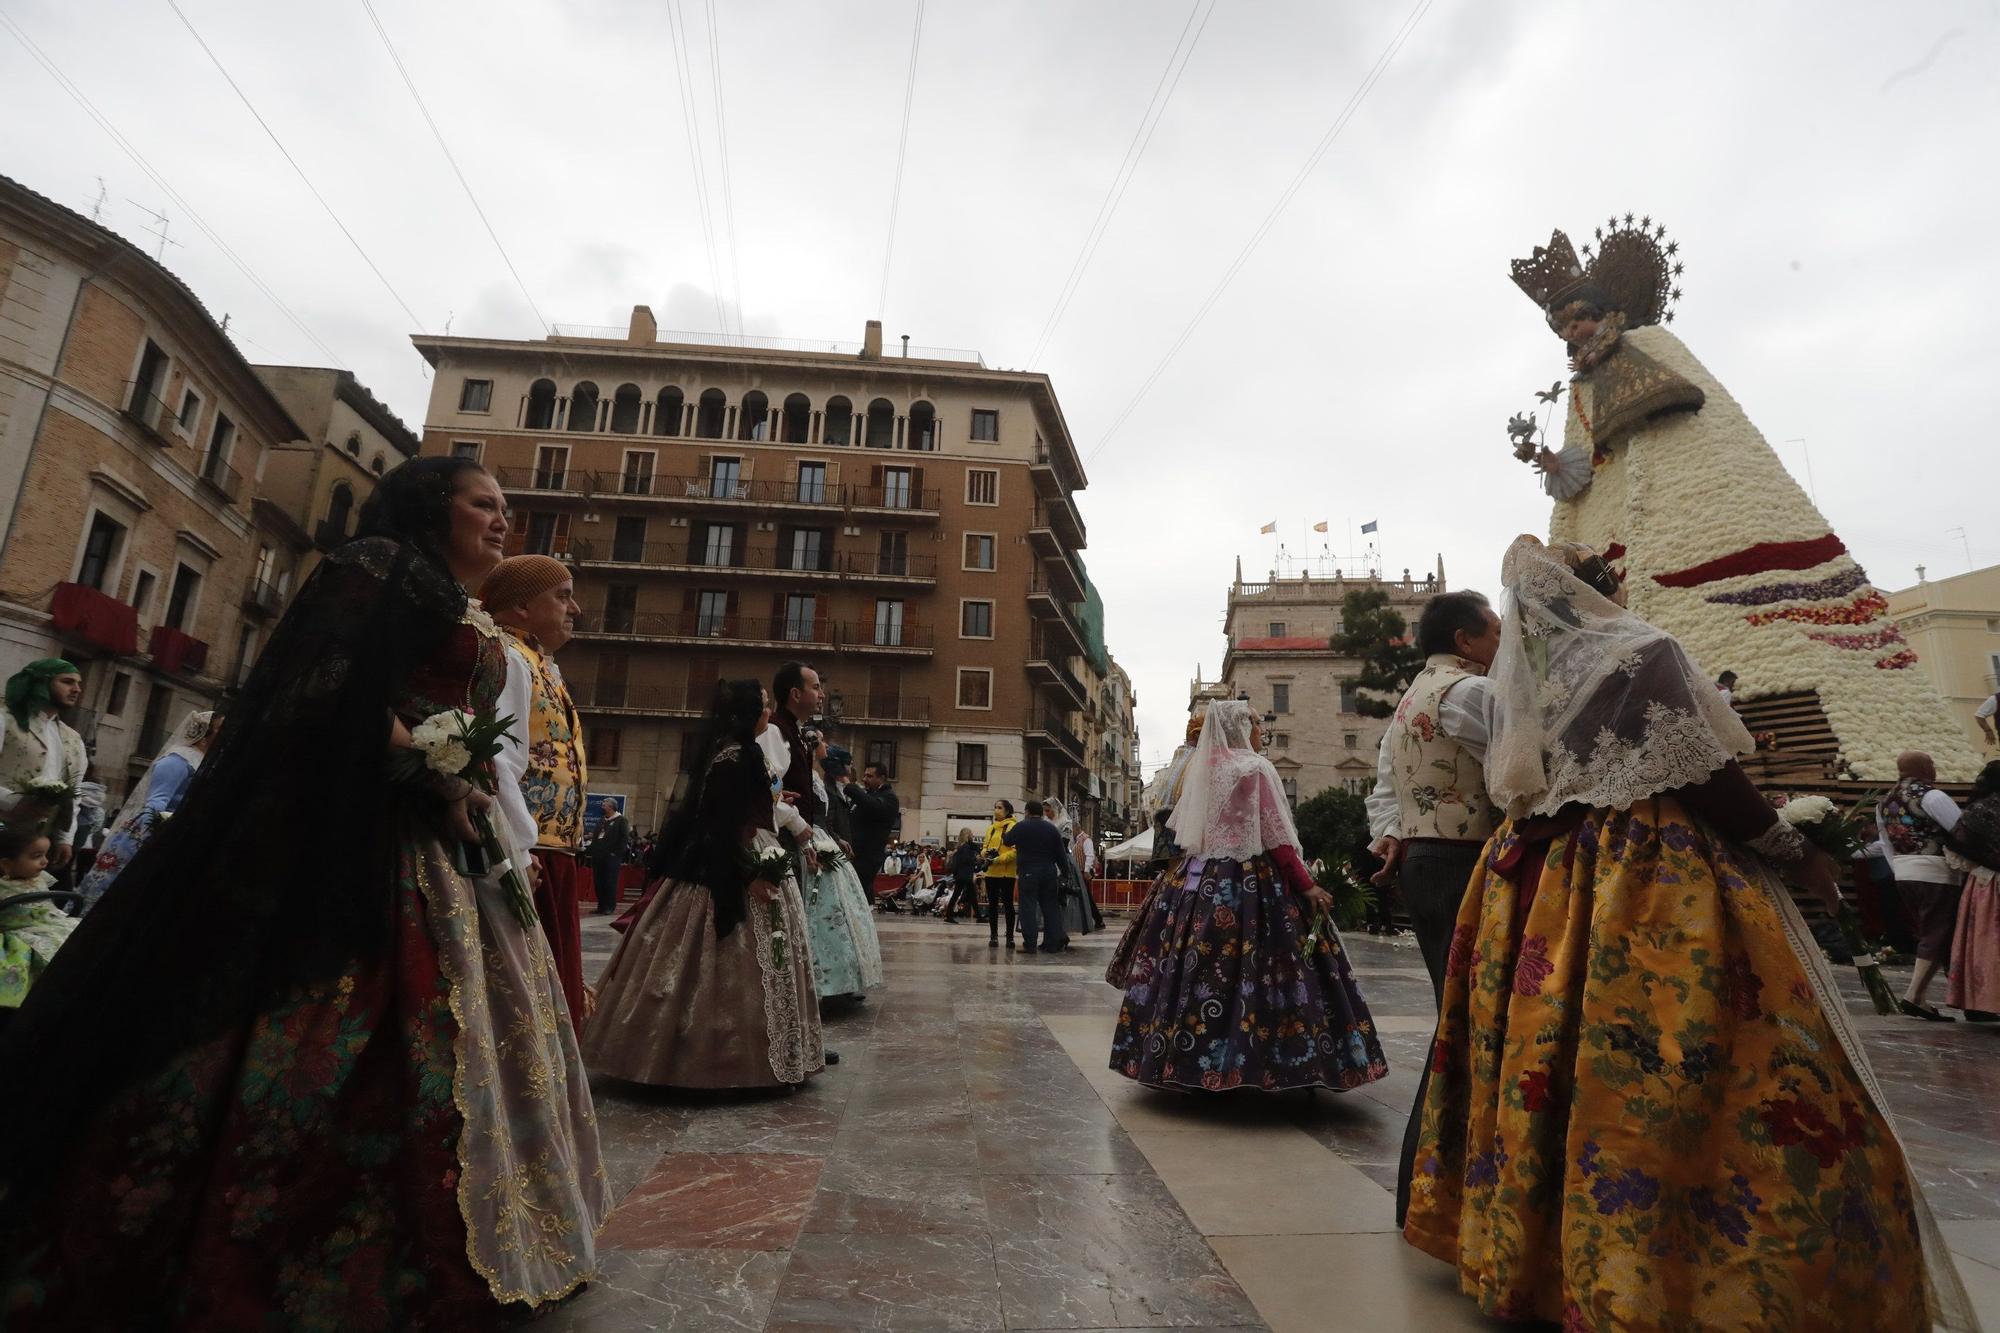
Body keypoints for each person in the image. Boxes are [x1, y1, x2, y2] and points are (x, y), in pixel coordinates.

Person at [0, 457, 607, 1326]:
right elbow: (325, 688)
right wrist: (428, 760)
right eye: (485, 504)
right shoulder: (378, 565)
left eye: (505, 508)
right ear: (436, 507)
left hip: (441, 839)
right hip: (369, 838)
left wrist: (459, 778)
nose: (501, 519)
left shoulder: (447, 593)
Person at [1404, 537, 1969, 1331]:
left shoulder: (1517, 682)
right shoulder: (1641, 650)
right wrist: (1787, 845)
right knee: (1692, 1058)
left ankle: (1544, 1256)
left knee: (1550, 1055)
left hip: (1537, 877)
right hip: (1645, 871)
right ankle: (1693, 1269)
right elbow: (1701, 768)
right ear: (1603, 590)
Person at [1513, 218, 1978, 785]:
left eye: (1580, 317)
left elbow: (1673, 400)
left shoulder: (1650, 344)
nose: (1574, 331)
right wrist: (1556, 463)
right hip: (1612, 505)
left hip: (1684, 482)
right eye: (1563, 325)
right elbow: (1586, 452)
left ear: (1607, 312)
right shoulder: (1581, 384)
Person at [1110, 700, 1388, 1092]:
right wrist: (1306, 884)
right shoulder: (1255, 767)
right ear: (1242, 727)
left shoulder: (1201, 770)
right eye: (1257, 724)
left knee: (1196, 970)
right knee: (1265, 970)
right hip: (1252, 882)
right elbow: (1275, 833)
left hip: (1200, 881)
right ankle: (1272, 1065)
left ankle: (1180, 1061)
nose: (1261, 731)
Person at [583, 680, 824, 1090]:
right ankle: (714, 1060)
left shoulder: (743, 753)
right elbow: (722, 823)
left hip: (753, 848)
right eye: (763, 707)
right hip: (731, 861)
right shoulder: (734, 757)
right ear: (748, 714)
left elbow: (753, 803)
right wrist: (750, 872)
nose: (768, 713)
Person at [1363, 589, 1503, 1227]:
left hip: (1424, 861)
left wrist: (1391, 832)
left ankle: (1425, 1190)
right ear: (1466, 640)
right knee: (1473, 1021)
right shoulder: (1471, 694)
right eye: (1495, 632)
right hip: (1465, 863)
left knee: (1461, 1018)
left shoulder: (1410, 700)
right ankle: (1440, 1188)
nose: (1503, 644)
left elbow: (1386, 783)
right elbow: (1521, 775)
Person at [483, 553, 592, 1035]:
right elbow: (499, 756)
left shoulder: (542, 665)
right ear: (522, 606)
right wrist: (521, 845)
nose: (576, 609)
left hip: (552, 850)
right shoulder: (509, 657)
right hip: (531, 852)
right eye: (563, 596)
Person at [76, 709, 219, 907]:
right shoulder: (179, 760)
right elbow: (156, 803)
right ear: (205, 733)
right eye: (221, 729)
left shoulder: (206, 762)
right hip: (153, 829)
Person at [1877, 751, 1968, 1021]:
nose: (1934, 768)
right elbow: (1961, 830)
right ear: (1923, 768)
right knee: (1937, 932)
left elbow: (1884, 842)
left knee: (1933, 932)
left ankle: (1960, 996)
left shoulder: (1884, 801)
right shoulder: (1932, 796)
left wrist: (1899, 869)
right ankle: (1914, 995)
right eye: (1931, 763)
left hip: (1904, 871)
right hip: (1937, 871)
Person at [800, 727, 884, 1003]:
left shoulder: (822, 783)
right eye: (821, 741)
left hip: (828, 843)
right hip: (816, 843)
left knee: (844, 918)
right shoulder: (814, 781)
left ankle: (844, 981)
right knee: (827, 919)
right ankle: (829, 984)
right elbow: (821, 818)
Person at [0, 658, 88, 874]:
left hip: (38, 846)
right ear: (42, 683)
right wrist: (12, 802)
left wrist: (65, 837)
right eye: (67, 682)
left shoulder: (73, 738)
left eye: (78, 683)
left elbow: (73, 793)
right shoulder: (5, 720)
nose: (76, 689)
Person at [1946, 761, 2000, 1023]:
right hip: (1989, 883)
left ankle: (1980, 1002)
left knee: (1984, 943)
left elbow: (1956, 847)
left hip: (1985, 885)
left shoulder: (1978, 810)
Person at [1, 822, 76, 1008]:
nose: (45, 862)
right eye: (36, 856)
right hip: (18, 933)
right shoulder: (3, 887)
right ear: (7, 864)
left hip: (49, 924)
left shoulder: (39, 878)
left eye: (45, 855)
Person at [1006, 800, 1072, 955]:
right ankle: (1053, 943)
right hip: (1049, 872)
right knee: (1050, 907)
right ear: (1041, 813)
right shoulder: (1051, 829)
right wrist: (1065, 872)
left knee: (1028, 907)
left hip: (1028, 872)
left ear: (1027, 811)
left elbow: (1007, 840)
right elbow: (1061, 853)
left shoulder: (1022, 826)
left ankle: (1030, 944)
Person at [839, 761, 899, 901]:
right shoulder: (868, 795)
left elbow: (872, 806)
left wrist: (850, 786)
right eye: (864, 775)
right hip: (854, 854)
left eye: (869, 776)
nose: (864, 779)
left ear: (882, 778)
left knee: (858, 895)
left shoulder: (889, 797)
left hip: (867, 858)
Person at [981, 799, 1020, 949]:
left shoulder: (1013, 826)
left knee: (1008, 905)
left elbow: (1015, 852)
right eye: (995, 807)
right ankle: (993, 936)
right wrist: (985, 853)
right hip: (991, 872)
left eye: (999, 807)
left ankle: (1010, 937)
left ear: (1007, 811)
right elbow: (984, 847)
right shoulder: (990, 828)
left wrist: (998, 859)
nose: (996, 810)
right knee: (992, 905)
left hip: (1006, 873)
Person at [588, 796, 630, 914]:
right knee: (599, 881)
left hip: (612, 857)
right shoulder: (602, 820)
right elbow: (597, 835)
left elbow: (624, 838)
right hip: (598, 856)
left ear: (611, 807)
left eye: (604, 804)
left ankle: (609, 906)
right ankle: (601, 906)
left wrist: (616, 853)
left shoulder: (621, 820)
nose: (602, 805)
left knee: (609, 881)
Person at [944, 828, 980, 923]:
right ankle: (979, 916)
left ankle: (979, 916)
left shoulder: (960, 847)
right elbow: (967, 860)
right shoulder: (966, 847)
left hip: (961, 875)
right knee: (967, 896)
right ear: (967, 835)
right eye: (971, 833)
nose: (973, 835)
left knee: (963, 895)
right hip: (965, 875)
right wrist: (975, 859)